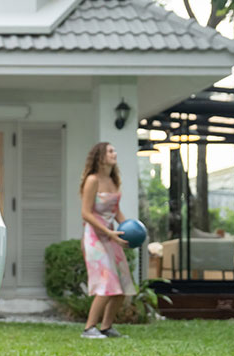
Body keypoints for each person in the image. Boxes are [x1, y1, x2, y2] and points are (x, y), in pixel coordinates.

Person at [79, 142, 136, 339]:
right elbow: (86, 213)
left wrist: (128, 229)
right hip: (95, 237)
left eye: (114, 151)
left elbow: (116, 211)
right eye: (110, 151)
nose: (115, 153)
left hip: (111, 235)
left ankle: (106, 327)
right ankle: (89, 329)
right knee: (106, 282)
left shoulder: (113, 181)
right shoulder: (92, 180)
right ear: (100, 156)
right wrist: (108, 232)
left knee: (122, 285)